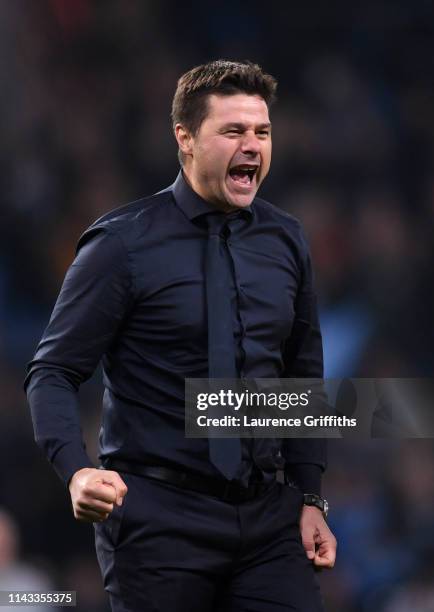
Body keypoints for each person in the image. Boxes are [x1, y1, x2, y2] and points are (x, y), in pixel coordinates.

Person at [25, 59, 336, 612]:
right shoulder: (121, 245)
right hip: (158, 522)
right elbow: (52, 371)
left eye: (262, 132)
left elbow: (300, 380)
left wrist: (310, 496)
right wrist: (75, 471)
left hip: (268, 522)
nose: (252, 145)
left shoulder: (287, 240)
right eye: (233, 131)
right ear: (185, 139)